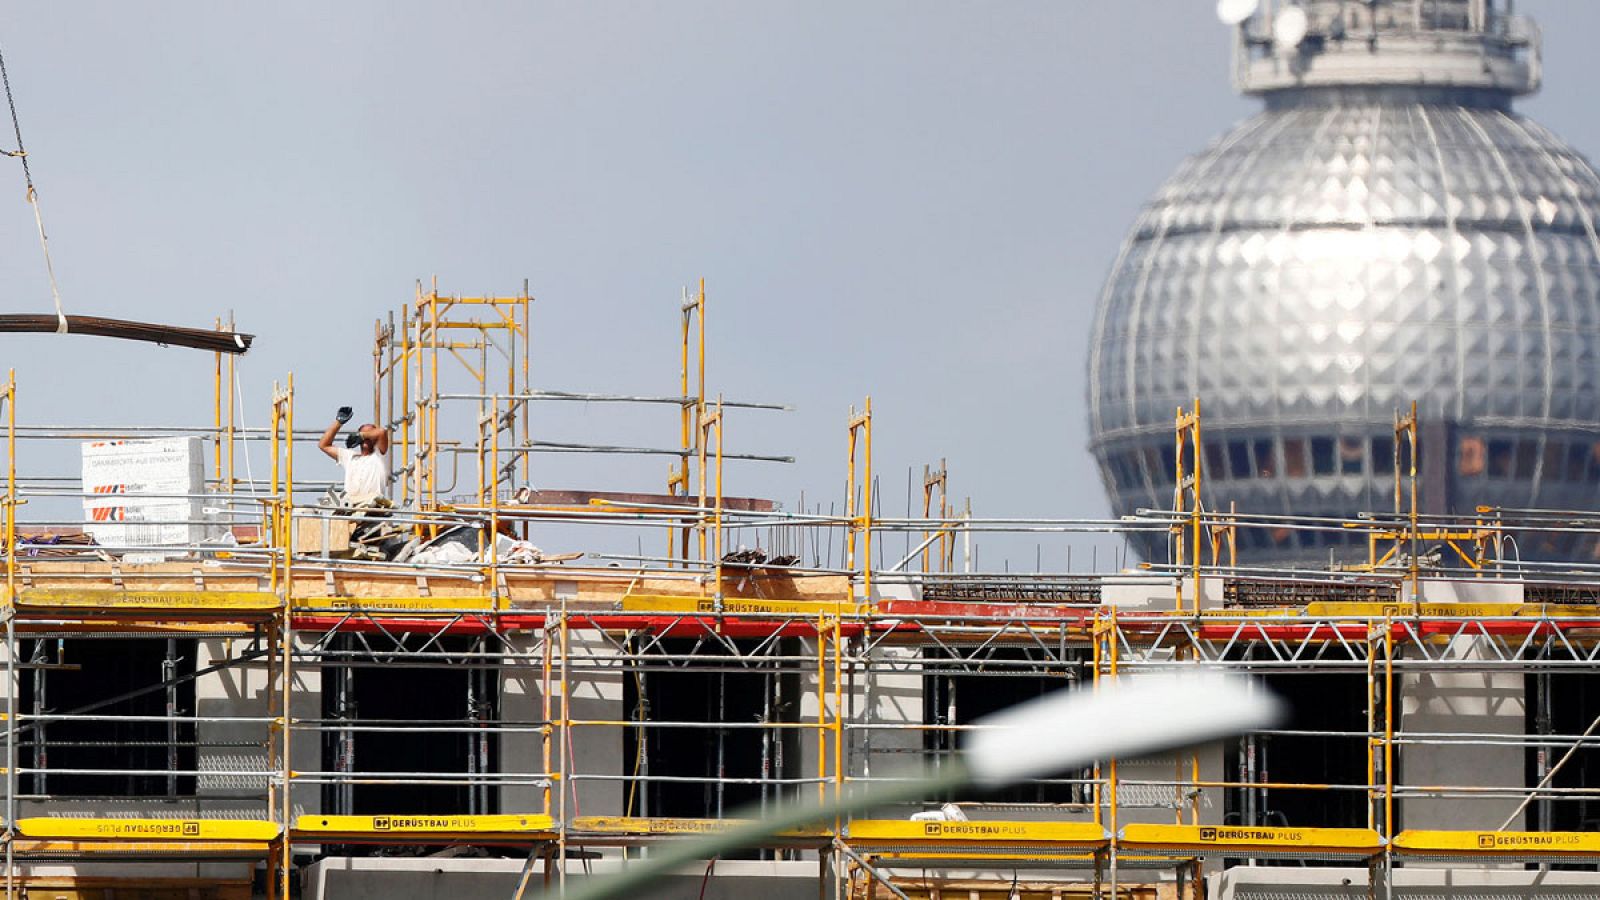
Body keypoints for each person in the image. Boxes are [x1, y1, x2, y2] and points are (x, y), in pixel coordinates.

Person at [318, 406, 391, 505]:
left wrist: (362, 435)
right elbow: (324, 445)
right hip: (351, 505)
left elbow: (382, 432)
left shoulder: (380, 456)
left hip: (373, 505)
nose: (366, 438)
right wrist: (338, 423)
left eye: (369, 434)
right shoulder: (350, 457)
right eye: (363, 434)